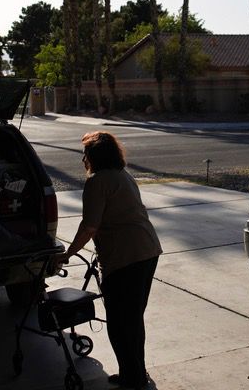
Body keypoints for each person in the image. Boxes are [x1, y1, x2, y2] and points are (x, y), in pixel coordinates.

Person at [60, 131, 162, 390]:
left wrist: (67, 254)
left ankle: (133, 379)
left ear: (93, 157)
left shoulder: (97, 181)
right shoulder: (122, 175)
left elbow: (89, 227)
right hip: (146, 251)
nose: (83, 158)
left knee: (120, 323)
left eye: (86, 153)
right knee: (132, 319)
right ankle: (133, 373)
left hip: (125, 257)